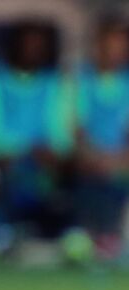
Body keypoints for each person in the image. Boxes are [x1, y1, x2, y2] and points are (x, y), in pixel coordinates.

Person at [0, 21, 75, 242]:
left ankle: (71, 234)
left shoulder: (56, 83)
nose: (33, 50)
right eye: (28, 43)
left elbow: (61, 133)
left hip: (44, 164)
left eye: (39, 45)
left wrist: (52, 151)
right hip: (3, 163)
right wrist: (17, 151)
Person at [73, 19, 129, 260]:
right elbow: (75, 129)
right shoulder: (79, 81)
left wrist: (119, 162)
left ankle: (113, 240)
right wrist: (95, 159)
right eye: (109, 45)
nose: (115, 52)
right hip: (89, 164)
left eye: (121, 46)